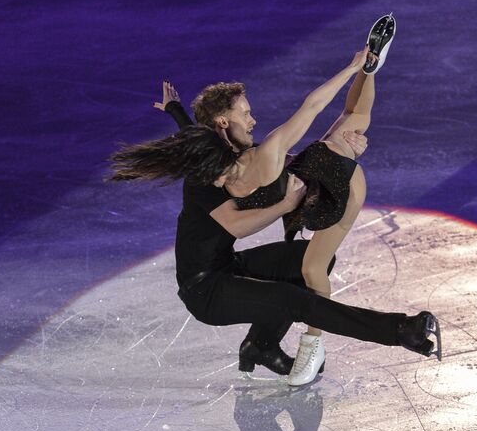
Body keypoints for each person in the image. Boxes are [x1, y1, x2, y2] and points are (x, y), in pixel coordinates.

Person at [110, 21, 441, 382]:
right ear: (224, 122)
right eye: (245, 113)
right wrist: (285, 206)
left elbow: (197, 135)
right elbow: (236, 224)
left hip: (229, 264)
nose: (252, 118)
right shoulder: (205, 178)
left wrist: (175, 111)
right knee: (295, 300)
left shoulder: (224, 146)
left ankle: (261, 345)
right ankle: (401, 331)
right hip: (205, 289)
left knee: (307, 262)